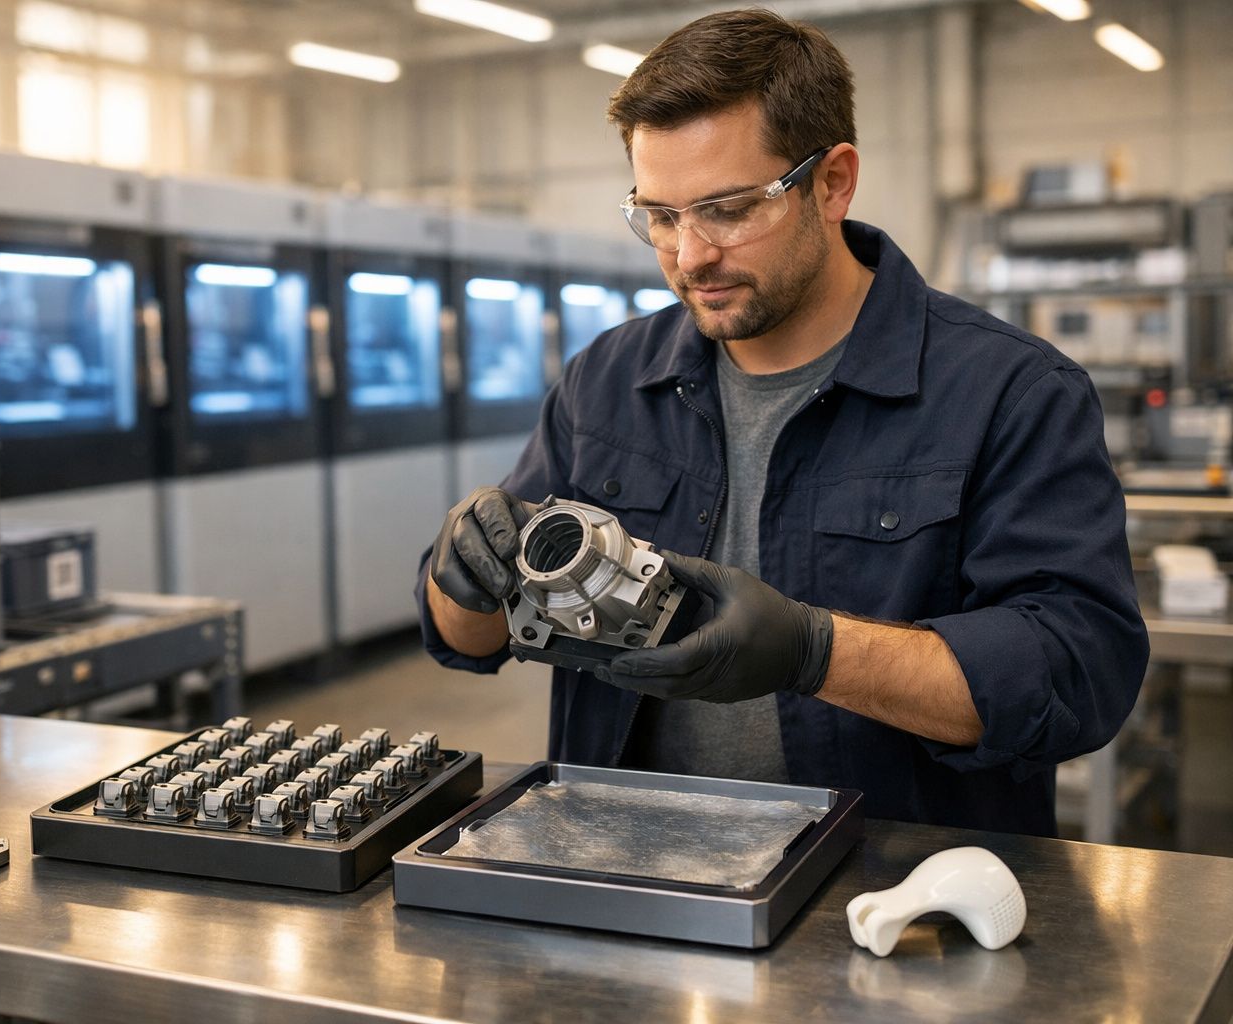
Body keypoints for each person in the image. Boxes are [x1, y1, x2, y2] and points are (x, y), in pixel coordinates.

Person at [416, 8, 1148, 836]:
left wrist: (816, 653)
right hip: (625, 873)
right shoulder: (610, 381)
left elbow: (1078, 674)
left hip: (888, 901)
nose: (689, 256)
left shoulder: (1007, 391)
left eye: (726, 210)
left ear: (832, 182)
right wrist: (464, 570)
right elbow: (467, 639)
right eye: (659, 215)